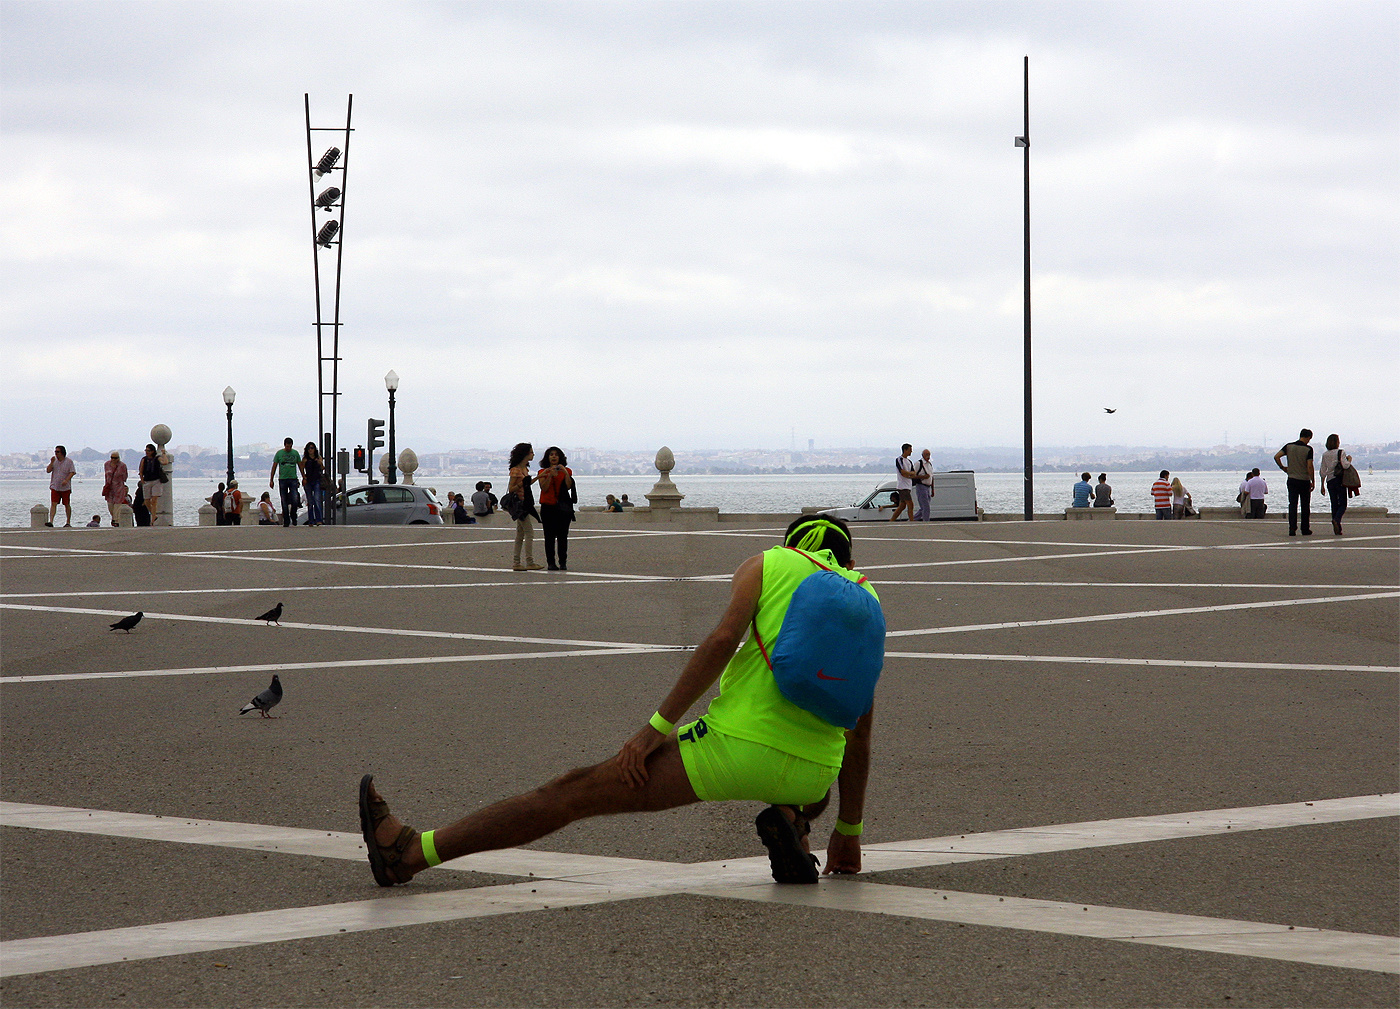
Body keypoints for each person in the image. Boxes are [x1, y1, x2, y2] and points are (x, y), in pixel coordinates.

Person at [358, 516, 880, 889]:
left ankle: (407, 853)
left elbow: (722, 641)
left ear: (790, 543)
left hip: (734, 752)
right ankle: (796, 818)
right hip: (816, 773)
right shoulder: (866, 596)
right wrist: (850, 832)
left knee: (572, 791)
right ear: (848, 559)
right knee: (807, 765)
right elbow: (860, 725)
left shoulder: (769, 563)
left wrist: (656, 727)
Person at [537, 446, 577, 572]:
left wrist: (564, 472)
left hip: (563, 508)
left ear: (560, 457)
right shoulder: (542, 472)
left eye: (556, 455)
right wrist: (549, 475)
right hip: (548, 507)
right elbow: (544, 488)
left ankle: (563, 561)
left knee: (562, 536)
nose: (553, 457)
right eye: (551, 454)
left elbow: (569, 486)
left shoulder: (567, 470)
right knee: (549, 536)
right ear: (547, 458)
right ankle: (551, 562)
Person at [507, 443, 544, 571]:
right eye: (531, 452)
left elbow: (526, 485)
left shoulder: (525, 470)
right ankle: (529, 561)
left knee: (520, 534)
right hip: (520, 506)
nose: (533, 454)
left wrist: (537, 478)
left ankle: (516, 562)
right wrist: (522, 483)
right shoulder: (516, 470)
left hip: (525, 503)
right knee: (529, 533)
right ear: (525, 454)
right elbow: (512, 488)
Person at [1273, 429, 1314, 536]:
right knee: (1305, 505)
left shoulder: (1288, 446)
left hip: (1292, 479)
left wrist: (1283, 468)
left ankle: (1292, 528)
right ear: (1308, 437)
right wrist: (1312, 480)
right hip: (1304, 480)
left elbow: (1276, 456)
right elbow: (1310, 466)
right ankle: (1305, 529)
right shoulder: (1308, 449)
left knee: (1292, 504)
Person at [1318, 434, 1353, 536]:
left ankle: (1337, 527)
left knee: (1334, 503)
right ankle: (1337, 520)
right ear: (1337, 442)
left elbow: (1323, 471)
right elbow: (1345, 465)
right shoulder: (1340, 452)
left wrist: (1322, 485)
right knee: (1342, 504)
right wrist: (1349, 460)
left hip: (1330, 481)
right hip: (1339, 480)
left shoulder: (1325, 454)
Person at [269, 438, 303, 528]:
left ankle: (293, 515)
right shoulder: (279, 454)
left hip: (293, 479)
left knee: (295, 499)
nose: (289, 448)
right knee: (284, 500)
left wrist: (304, 476)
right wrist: (271, 479)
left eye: (290, 446)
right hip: (283, 479)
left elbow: (300, 465)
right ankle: (286, 520)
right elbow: (274, 466)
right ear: (285, 445)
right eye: (287, 446)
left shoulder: (295, 453)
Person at [44, 445, 78, 528]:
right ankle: (51, 521)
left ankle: (68, 522)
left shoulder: (69, 461)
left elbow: (72, 472)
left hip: (65, 488)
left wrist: (66, 480)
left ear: (62, 453)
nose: (56, 454)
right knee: (53, 504)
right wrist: (51, 462)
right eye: (55, 452)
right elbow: (48, 471)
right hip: (55, 486)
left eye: (57, 452)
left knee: (66, 504)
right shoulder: (54, 461)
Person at [137, 444, 165, 526]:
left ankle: (152, 518)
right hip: (147, 481)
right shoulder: (144, 459)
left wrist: (164, 454)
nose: (147, 452)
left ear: (152, 451)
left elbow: (165, 462)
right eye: (146, 451)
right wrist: (142, 479)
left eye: (148, 451)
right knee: (146, 501)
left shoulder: (157, 458)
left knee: (154, 500)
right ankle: (153, 514)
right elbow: (141, 470)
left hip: (156, 480)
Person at [101, 450, 129, 527]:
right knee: (110, 505)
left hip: (119, 487)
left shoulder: (122, 466)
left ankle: (115, 520)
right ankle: (115, 518)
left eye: (115, 458)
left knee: (117, 504)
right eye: (112, 458)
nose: (113, 459)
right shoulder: (106, 464)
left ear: (118, 458)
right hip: (109, 487)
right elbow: (106, 476)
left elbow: (125, 476)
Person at [302, 442, 325, 527]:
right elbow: (302, 469)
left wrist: (320, 463)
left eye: (312, 448)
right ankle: (311, 520)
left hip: (317, 480)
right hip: (308, 481)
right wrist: (304, 478)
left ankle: (319, 520)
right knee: (310, 501)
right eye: (309, 448)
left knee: (317, 500)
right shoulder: (305, 459)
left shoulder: (318, 458)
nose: (310, 450)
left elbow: (323, 468)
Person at [890, 444, 915, 521]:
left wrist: (909, 474)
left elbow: (913, 472)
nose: (911, 451)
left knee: (902, 506)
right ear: (905, 450)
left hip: (908, 486)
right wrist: (909, 474)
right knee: (910, 504)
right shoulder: (899, 459)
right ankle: (911, 521)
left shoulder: (909, 461)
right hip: (902, 486)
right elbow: (902, 472)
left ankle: (891, 520)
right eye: (910, 450)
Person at [912, 450, 934, 521]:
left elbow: (931, 477)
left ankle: (912, 519)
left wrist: (932, 489)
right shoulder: (919, 464)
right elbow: (912, 475)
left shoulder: (929, 464)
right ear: (923, 455)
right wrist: (923, 477)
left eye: (929, 455)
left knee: (924, 508)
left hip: (928, 487)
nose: (928, 456)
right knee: (926, 507)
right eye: (927, 454)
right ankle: (926, 521)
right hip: (921, 486)